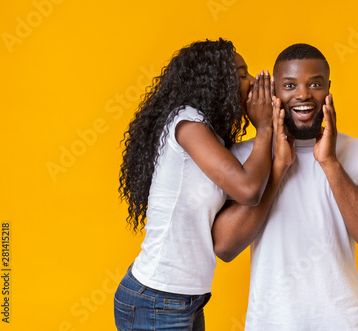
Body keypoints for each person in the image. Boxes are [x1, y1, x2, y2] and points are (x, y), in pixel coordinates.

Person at [212, 43, 358, 330]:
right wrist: (278, 169)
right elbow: (224, 247)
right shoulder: (245, 158)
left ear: (328, 89)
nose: (302, 94)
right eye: (289, 85)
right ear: (273, 91)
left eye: (315, 83)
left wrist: (330, 163)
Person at [114, 38, 274, 331]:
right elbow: (249, 190)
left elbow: (252, 174)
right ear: (216, 82)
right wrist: (264, 128)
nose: (252, 82)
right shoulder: (187, 122)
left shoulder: (211, 137)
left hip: (184, 299)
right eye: (240, 74)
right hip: (156, 299)